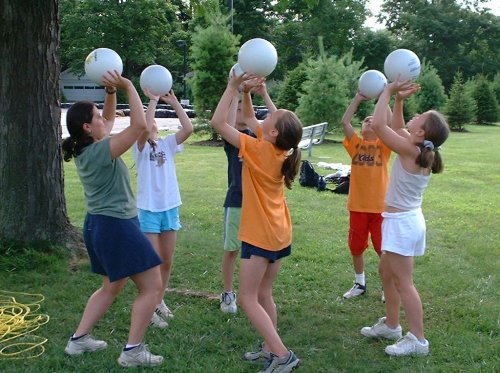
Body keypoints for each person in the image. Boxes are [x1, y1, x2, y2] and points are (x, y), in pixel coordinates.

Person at [61, 71, 164, 367]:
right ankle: (133, 351)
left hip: (98, 224)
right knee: (152, 287)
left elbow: (108, 119)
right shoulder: (101, 150)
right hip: (116, 225)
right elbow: (140, 125)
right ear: (87, 127)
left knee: (111, 286)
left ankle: (78, 341)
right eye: (98, 117)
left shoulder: (88, 148)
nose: (105, 119)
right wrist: (128, 85)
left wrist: (109, 93)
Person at [211, 71, 302, 372]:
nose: (266, 118)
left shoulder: (257, 148)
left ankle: (282, 355)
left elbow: (218, 124)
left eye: (271, 119)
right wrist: (254, 93)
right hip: (279, 232)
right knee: (264, 293)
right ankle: (268, 348)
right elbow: (254, 118)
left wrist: (232, 87)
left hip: (260, 234)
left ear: (273, 132)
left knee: (249, 297)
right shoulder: (281, 148)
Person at [360, 78, 450, 357]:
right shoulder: (419, 149)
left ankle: (418, 340)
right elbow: (398, 127)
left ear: (421, 131)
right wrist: (399, 101)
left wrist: (387, 91)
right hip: (402, 221)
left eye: (417, 117)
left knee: (404, 283)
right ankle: (391, 325)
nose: (413, 116)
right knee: (386, 273)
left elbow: (379, 126)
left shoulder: (412, 151)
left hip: (402, 225)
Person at [133, 88, 193, 327]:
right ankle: (148, 308)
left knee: (166, 261)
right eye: (149, 124)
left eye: (154, 124)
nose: (152, 126)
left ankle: (158, 300)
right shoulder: (139, 148)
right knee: (153, 262)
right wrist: (152, 101)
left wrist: (174, 101)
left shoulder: (167, 145)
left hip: (169, 208)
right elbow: (144, 129)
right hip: (148, 210)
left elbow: (188, 129)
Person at [219, 80, 277, 314]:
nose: (242, 110)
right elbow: (226, 122)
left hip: (259, 206)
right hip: (236, 201)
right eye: (239, 108)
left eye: (245, 108)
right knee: (232, 249)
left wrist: (262, 93)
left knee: (256, 252)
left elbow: (284, 125)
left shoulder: (261, 141)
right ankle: (228, 293)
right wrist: (234, 94)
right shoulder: (235, 141)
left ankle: (256, 293)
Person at [340, 92, 392, 301]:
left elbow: (386, 121)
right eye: (366, 121)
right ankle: (359, 283)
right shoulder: (356, 145)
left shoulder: (384, 145)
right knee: (356, 246)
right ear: (361, 129)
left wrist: (383, 96)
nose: (370, 122)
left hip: (380, 208)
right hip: (358, 207)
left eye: (373, 120)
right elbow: (345, 121)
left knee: (383, 249)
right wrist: (358, 98)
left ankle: (387, 286)